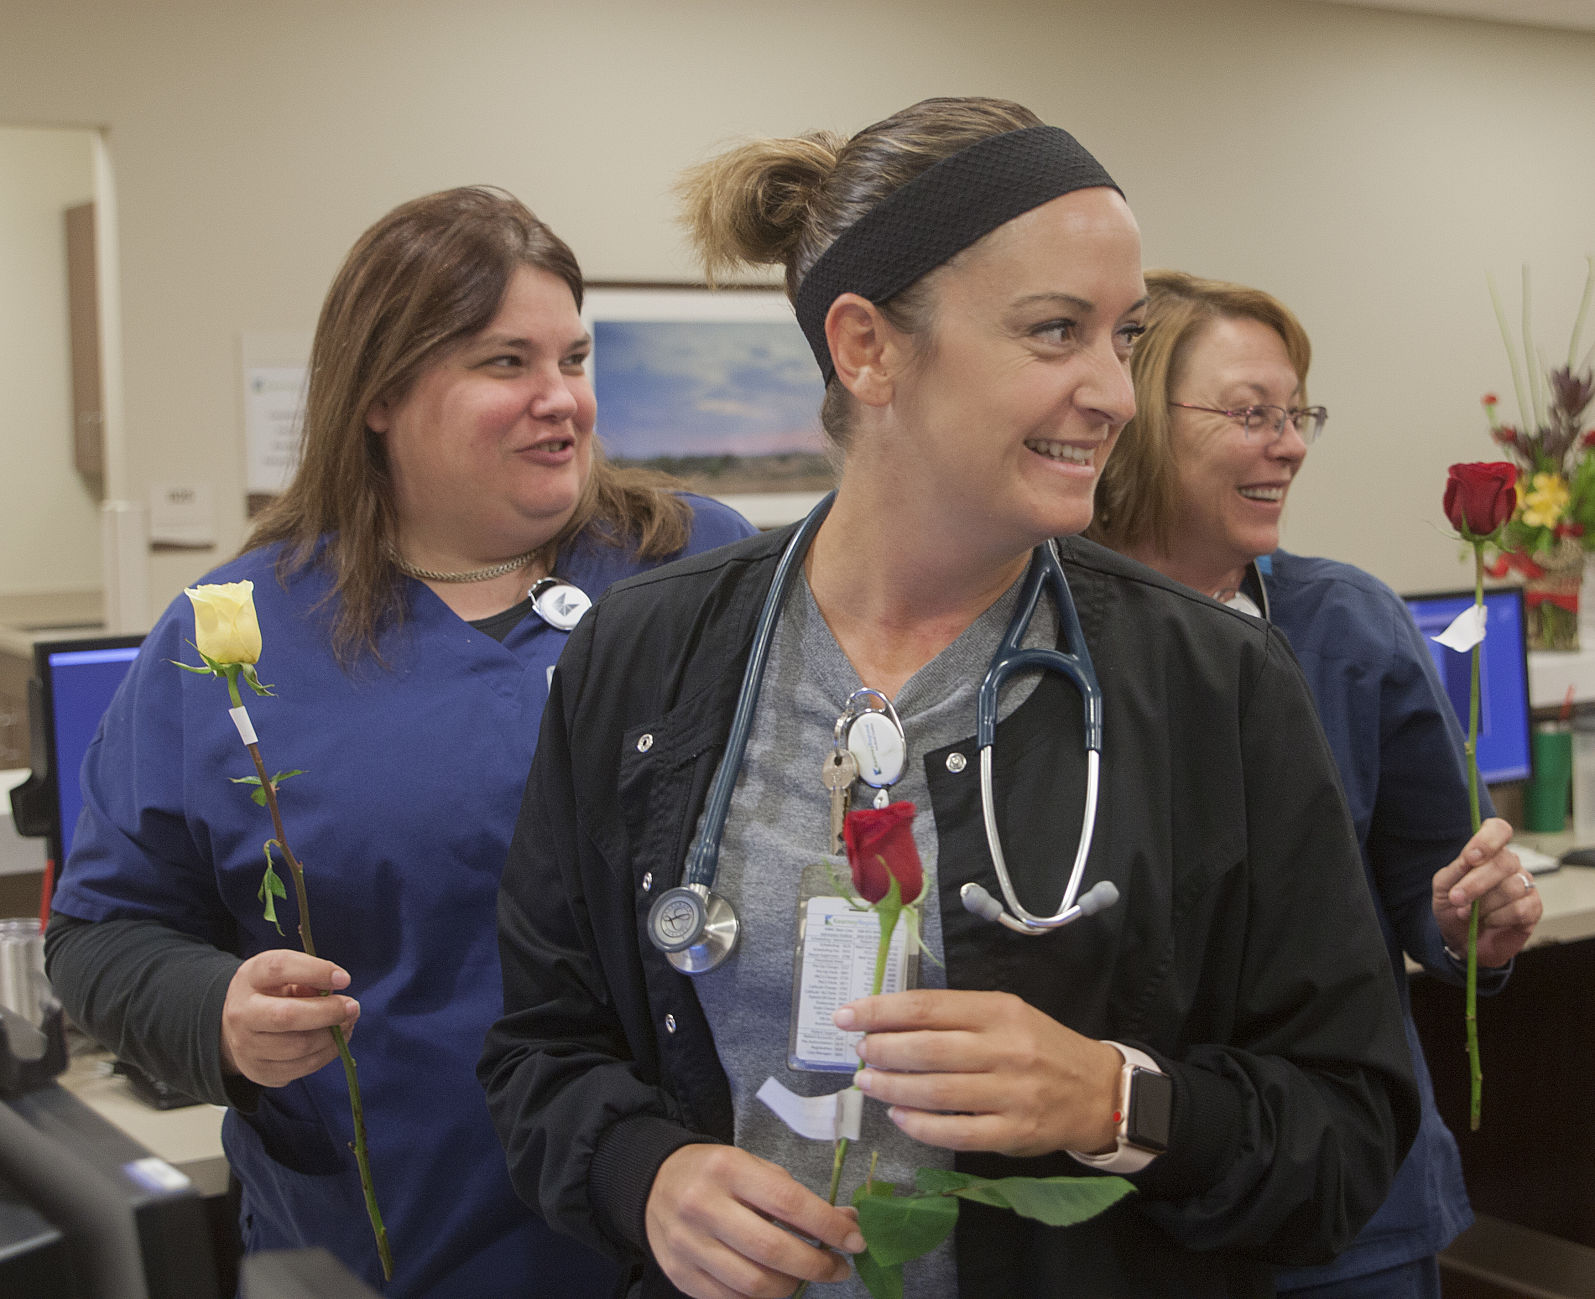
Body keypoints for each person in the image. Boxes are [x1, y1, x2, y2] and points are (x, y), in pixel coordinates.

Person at [479, 98, 1421, 1298]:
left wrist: (1114, 1101)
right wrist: (642, 1174)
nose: (1114, 392)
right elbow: (541, 1051)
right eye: (1054, 331)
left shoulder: (1210, 684)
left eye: (1123, 336)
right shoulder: (645, 656)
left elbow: (1345, 1133)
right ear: (866, 349)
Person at [44, 186, 755, 1297]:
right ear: (378, 392)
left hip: (691, 1226)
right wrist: (217, 1012)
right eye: (505, 362)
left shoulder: (693, 565)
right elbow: (103, 933)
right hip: (393, 1233)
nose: (560, 398)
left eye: (572, 358)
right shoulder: (237, 632)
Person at [1090, 268, 1544, 1298]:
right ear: (1138, 418)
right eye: (1251, 414)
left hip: (1349, 1211)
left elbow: (1430, 886)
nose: (1289, 444)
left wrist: (1468, 926)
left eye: (1297, 415)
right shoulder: (1037, 629)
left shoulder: (1345, 622)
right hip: (1115, 1211)